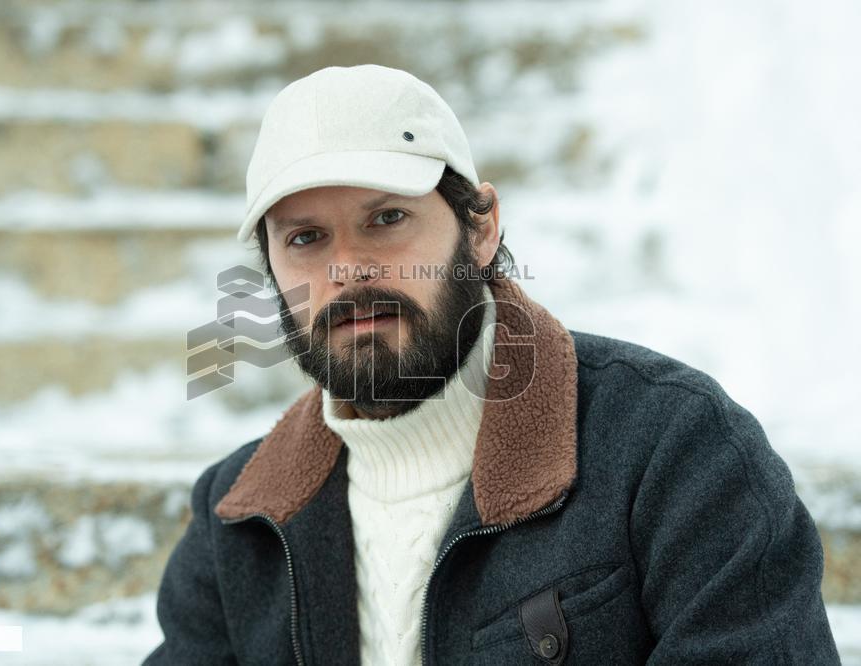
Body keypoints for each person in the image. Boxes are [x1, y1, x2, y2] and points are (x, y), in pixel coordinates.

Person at [143, 64, 840, 665]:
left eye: (387, 219)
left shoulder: (675, 450)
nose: (348, 268)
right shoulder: (239, 519)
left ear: (480, 227)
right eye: (305, 238)